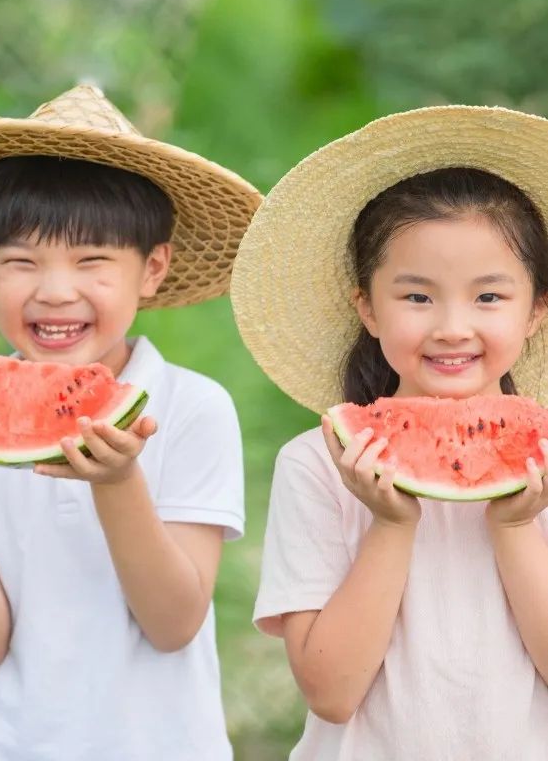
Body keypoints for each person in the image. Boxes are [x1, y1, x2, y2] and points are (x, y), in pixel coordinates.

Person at [230, 105, 548, 760]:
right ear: (367, 308)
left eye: (488, 297)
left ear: (534, 313)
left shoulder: (541, 460)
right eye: (416, 296)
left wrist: (515, 527)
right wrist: (391, 525)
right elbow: (330, 693)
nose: (452, 326)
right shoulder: (316, 465)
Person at [0, 84, 262, 761]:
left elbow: (174, 623)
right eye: (21, 262)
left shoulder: (191, 408)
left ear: (151, 270)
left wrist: (119, 483)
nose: (56, 289)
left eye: (92, 261)